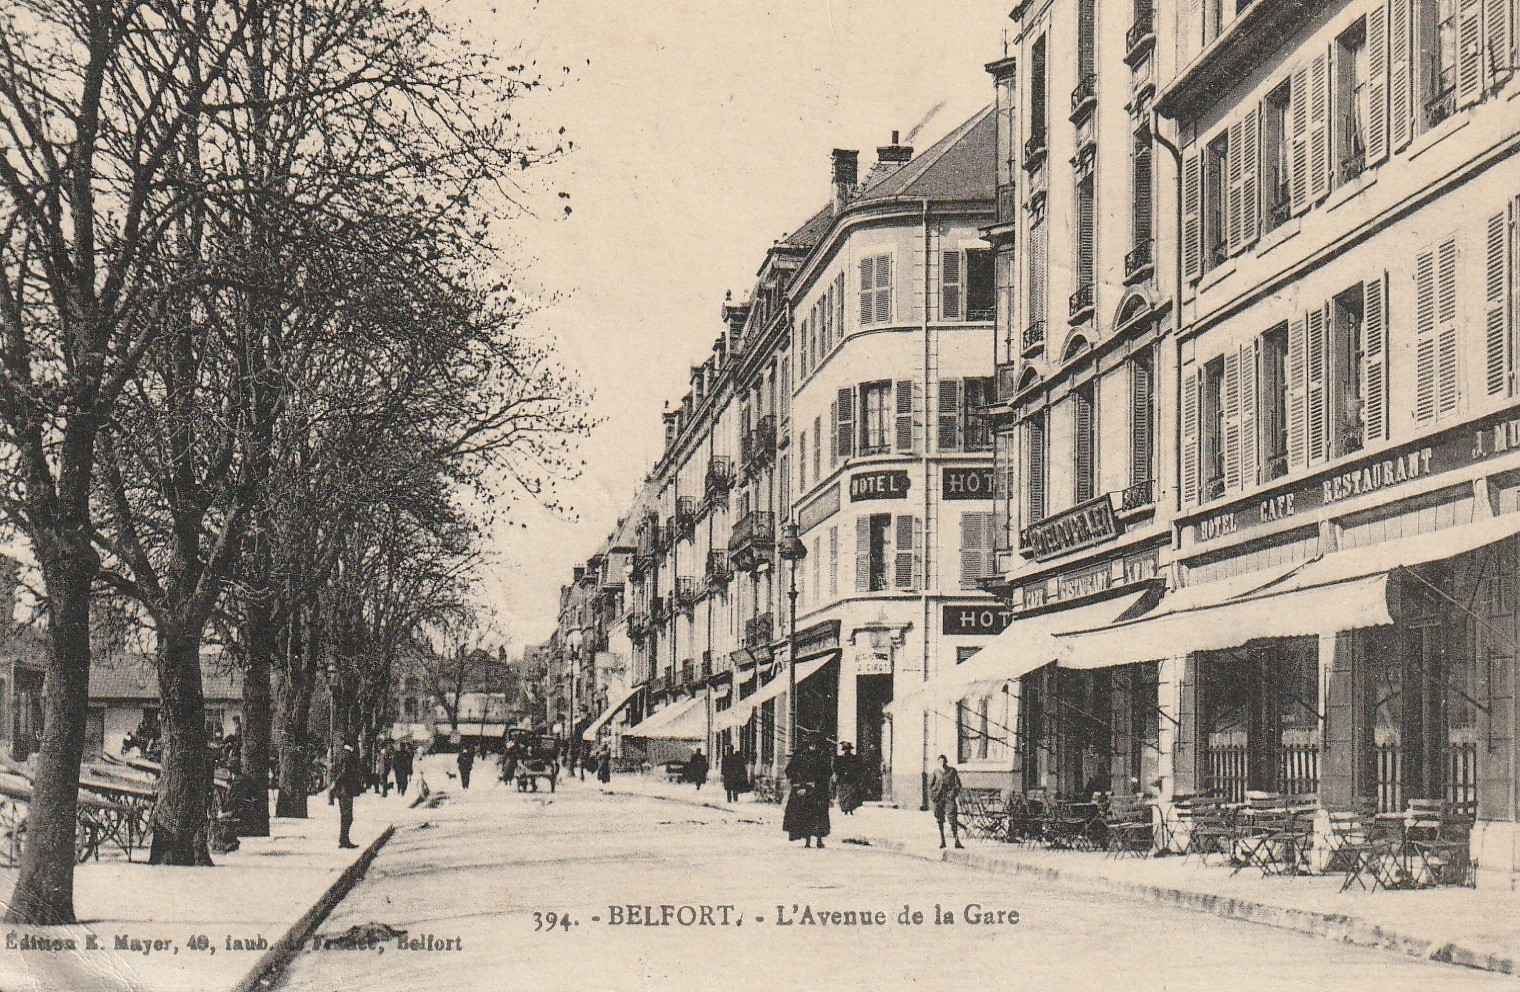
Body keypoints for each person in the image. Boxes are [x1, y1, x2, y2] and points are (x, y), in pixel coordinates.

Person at [782, 738, 831, 848]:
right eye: (811, 744)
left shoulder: (822, 758)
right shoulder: (800, 757)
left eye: (815, 745)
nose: (813, 747)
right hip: (803, 790)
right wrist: (799, 783)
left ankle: (819, 839)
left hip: (818, 791)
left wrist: (819, 783)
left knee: (819, 816)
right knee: (806, 815)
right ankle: (807, 840)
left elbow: (827, 773)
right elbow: (789, 771)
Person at [928, 754, 964, 850]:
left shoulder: (952, 771)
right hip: (938, 798)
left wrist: (952, 794)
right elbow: (930, 785)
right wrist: (933, 795)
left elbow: (957, 785)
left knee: (952, 817)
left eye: (943, 761)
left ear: (946, 762)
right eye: (940, 761)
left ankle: (957, 841)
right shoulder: (936, 772)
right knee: (940, 819)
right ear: (938, 762)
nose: (942, 763)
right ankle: (942, 841)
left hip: (948, 798)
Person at [332, 741, 361, 849]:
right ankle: (344, 840)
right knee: (348, 817)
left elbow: (335, 770)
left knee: (344, 816)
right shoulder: (349, 756)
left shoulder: (339, 754)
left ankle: (343, 839)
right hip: (346, 789)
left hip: (341, 790)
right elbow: (344, 772)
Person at [834, 742, 863, 815]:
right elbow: (836, 768)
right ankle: (845, 809)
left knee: (851, 794)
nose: (846, 751)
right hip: (842, 779)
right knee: (843, 794)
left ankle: (850, 809)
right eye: (845, 750)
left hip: (851, 779)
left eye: (848, 750)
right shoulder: (840, 758)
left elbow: (857, 768)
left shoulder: (854, 758)